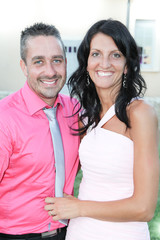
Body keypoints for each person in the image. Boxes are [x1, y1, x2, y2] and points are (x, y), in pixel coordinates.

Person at [44, 19, 159, 240]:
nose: (104, 63)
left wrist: (79, 208)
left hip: (123, 233)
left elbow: (144, 208)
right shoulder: (85, 115)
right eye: (96, 54)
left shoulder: (140, 113)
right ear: (86, 62)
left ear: (127, 65)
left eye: (115, 55)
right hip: (81, 232)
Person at [0, 23, 80, 240]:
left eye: (57, 60)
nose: (50, 71)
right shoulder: (4, 118)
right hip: (16, 235)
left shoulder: (75, 110)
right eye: (38, 62)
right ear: (24, 67)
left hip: (68, 232)